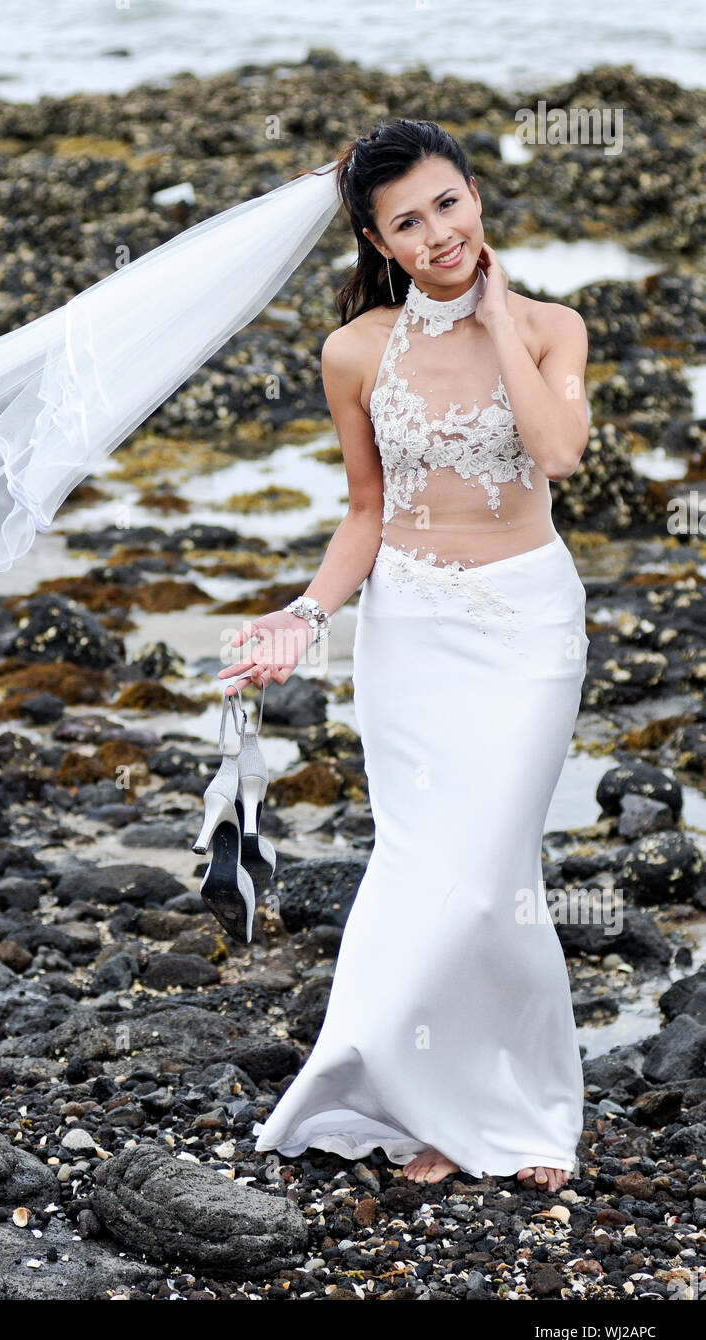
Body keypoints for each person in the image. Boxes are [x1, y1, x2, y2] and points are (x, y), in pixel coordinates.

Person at [217, 119, 590, 1195]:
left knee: (484, 880)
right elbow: (364, 514)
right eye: (406, 223)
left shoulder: (551, 328)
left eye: (447, 204)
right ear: (377, 243)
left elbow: (556, 452)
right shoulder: (354, 350)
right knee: (425, 872)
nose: (436, 234)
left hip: (524, 629)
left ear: (474, 196)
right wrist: (301, 614)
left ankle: (511, 1106)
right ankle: (427, 1108)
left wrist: (495, 319)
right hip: (407, 634)